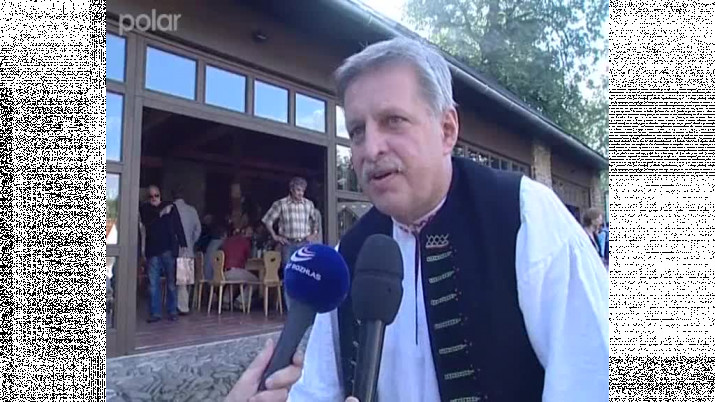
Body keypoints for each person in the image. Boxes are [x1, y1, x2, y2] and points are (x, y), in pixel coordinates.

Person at [287, 38, 608, 401]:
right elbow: (316, 391)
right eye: (357, 131)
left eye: (393, 121)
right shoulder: (350, 251)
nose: (371, 148)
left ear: (447, 130)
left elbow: (590, 379)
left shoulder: (525, 216)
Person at [262, 177, 320, 308]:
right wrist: (275, 236)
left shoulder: (308, 204)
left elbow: (315, 221)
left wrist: (313, 234)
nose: (301, 193)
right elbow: (267, 220)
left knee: (305, 274)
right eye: (298, 190)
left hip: (304, 243)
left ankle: (304, 305)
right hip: (288, 244)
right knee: (290, 275)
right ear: (292, 190)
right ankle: (291, 308)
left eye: (303, 191)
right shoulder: (281, 204)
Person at [139, 185, 187, 323]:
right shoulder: (145, 209)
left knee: (171, 283)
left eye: (156, 195)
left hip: (168, 250)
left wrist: (183, 244)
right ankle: (155, 313)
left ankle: (172, 311)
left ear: (160, 195)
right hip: (152, 251)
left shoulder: (170, 207)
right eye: (151, 196)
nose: (154, 198)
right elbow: (147, 222)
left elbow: (178, 226)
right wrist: (161, 213)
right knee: (153, 284)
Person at [171, 186, 202, 315]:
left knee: (172, 280)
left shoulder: (169, 209)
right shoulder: (191, 210)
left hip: (172, 250)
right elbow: (198, 229)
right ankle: (183, 306)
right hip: (187, 250)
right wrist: (191, 242)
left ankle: (176, 306)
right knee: (184, 281)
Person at [222, 227, 260, 309]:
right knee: (256, 281)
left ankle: (226, 301)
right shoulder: (245, 242)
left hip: (223, 273)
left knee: (234, 280)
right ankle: (240, 301)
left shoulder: (227, 241)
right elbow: (249, 257)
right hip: (236, 271)